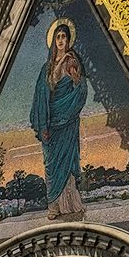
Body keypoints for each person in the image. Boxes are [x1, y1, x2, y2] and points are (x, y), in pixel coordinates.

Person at [29, 19, 87, 220]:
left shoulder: (71, 61)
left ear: (68, 40)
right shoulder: (46, 68)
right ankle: (53, 206)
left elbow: (79, 88)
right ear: (53, 41)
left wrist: (75, 80)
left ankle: (69, 204)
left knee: (66, 163)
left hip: (67, 122)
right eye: (58, 37)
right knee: (51, 164)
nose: (61, 40)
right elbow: (40, 97)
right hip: (50, 122)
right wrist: (43, 122)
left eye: (64, 37)